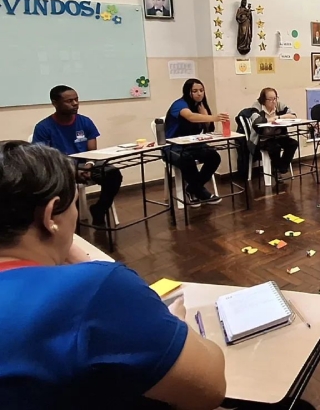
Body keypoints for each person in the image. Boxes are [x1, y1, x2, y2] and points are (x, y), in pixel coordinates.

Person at [0, 141, 226, 409]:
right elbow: (210, 388)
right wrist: (179, 326)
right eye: (74, 204)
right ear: (51, 215)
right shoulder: (95, 290)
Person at [33, 85, 122, 227]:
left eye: (76, 99)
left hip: (86, 164)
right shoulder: (43, 127)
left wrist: (89, 165)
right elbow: (44, 159)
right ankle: (70, 226)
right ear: (55, 103)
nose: (75, 103)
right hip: (61, 169)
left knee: (113, 174)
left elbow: (92, 151)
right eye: (69, 101)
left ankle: (99, 209)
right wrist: (72, 171)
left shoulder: (85, 122)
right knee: (59, 185)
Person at [164, 79, 228, 206]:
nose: (199, 94)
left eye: (201, 90)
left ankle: (192, 189)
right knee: (186, 159)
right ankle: (201, 192)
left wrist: (206, 116)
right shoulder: (179, 104)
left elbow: (208, 129)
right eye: (195, 91)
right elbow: (190, 117)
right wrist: (214, 117)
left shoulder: (200, 106)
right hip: (172, 147)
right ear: (188, 92)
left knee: (214, 156)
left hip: (193, 144)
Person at [251, 87, 298, 174]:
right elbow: (256, 121)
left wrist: (278, 117)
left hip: (278, 136)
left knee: (293, 143)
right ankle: (278, 169)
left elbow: (293, 115)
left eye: (275, 98)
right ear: (263, 100)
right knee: (275, 147)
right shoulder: (257, 106)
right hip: (263, 138)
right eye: (270, 99)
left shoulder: (279, 105)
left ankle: (282, 167)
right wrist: (269, 120)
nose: (273, 101)